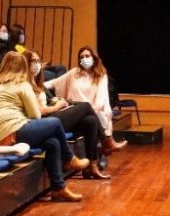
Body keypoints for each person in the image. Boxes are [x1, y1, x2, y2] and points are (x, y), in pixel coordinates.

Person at [0, 52, 89, 201]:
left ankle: (58, 188)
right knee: (55, 123)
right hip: (13, 132)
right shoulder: (21, 84)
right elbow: (35, 115)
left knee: (52, 142)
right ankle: (69, 159)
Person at [25, 50, 109, 179]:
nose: (37, 64)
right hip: (44, 121)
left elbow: (46, 98)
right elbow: (38, 111)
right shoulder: (24, 84)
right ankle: (106, 141)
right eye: (33, 61)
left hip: (52, 115)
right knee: (85, 106)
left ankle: (91, 166)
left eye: (38, 61)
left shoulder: (37, 81)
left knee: (90, 121)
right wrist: (57, 106)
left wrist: (55, 101)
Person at [45, 46, 128, 154]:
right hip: (75, 110)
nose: (84, 58)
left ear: (94, 58)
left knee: (91, 118)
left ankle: (93, 162)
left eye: (87, 56)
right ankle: (107, 141)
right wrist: (36, 86)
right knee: (88, 111)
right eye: (82, 57)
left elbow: (100, 101)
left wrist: (91, 110)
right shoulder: (74, 73)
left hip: (94, 110)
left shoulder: (101, 76)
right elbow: (54, 83)